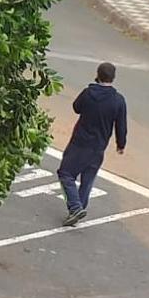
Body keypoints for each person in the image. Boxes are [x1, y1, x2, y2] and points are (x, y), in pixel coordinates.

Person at [58, 62, 127, 227]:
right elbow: (121, 125)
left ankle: (75, 208)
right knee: (87, 179)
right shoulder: (118, 100)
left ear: (98, 74)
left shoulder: (88, 93)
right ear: (113, 77)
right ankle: (78, 208)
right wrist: (121, 144)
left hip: (80, 142)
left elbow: (76, 108)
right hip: (99, 146)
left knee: (66, 174)